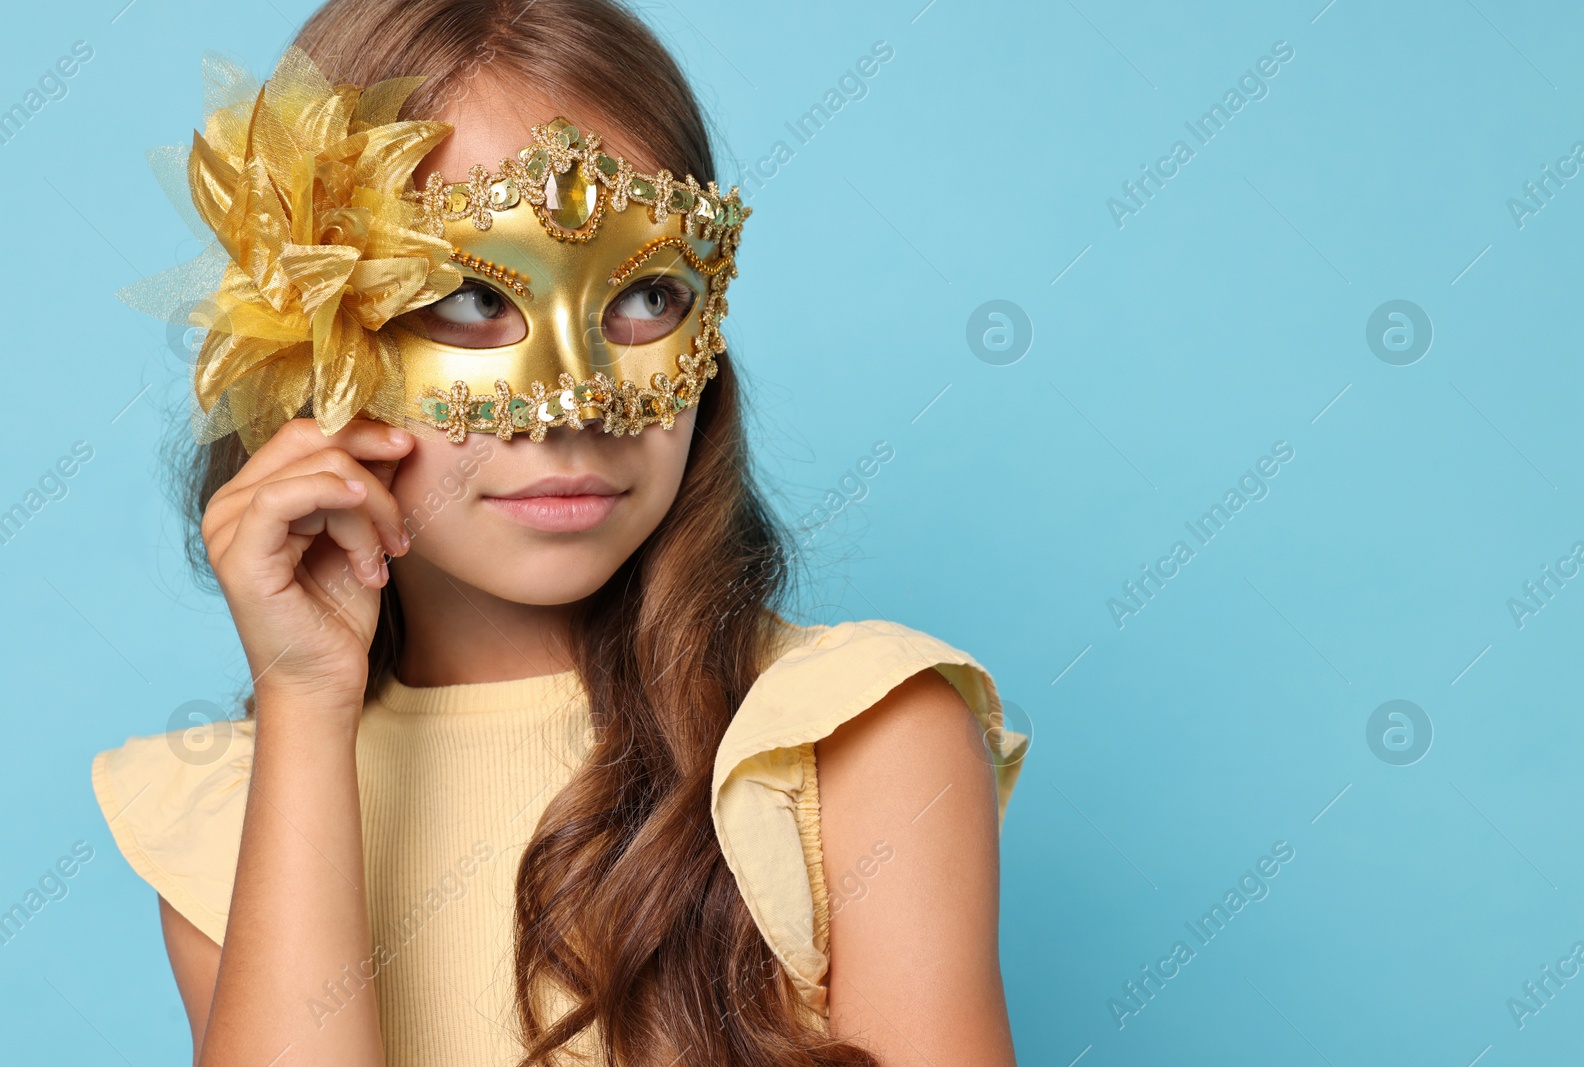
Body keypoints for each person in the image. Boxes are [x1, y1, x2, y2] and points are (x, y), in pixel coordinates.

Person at [91, 1, 1028, 1063]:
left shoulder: (850, 740)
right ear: (310, 331)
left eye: (644, 294)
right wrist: (305, 706)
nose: (572, 400)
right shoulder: (220, 818)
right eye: (465, 298)